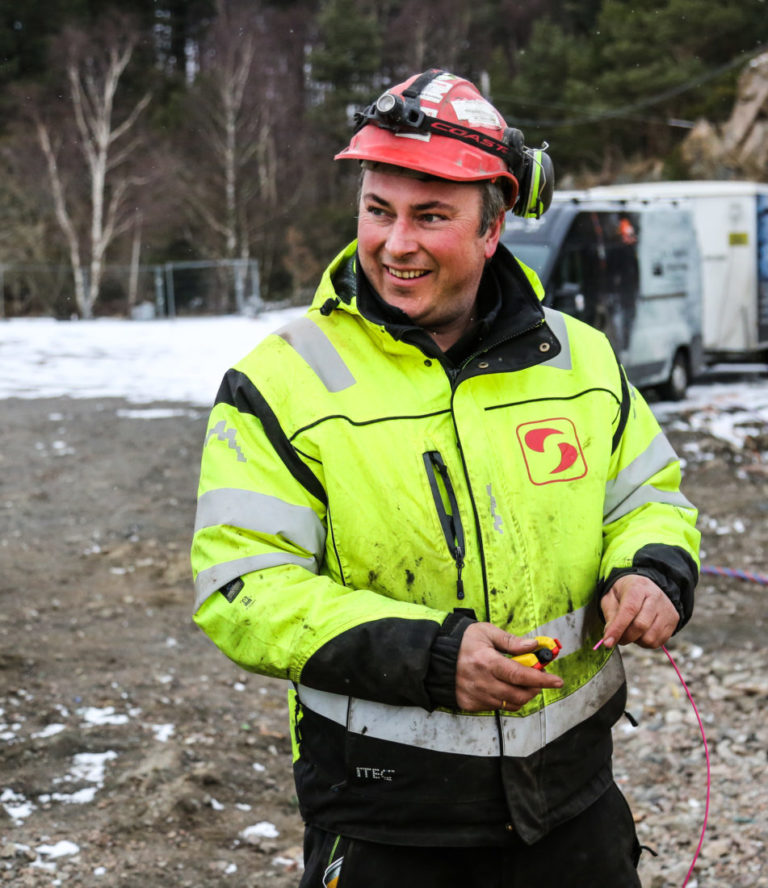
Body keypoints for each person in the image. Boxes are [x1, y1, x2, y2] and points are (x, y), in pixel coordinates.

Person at [190, 68, 700, 888]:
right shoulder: (282, 381)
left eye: (431, 216)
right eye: (377, 211)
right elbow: (243, 585)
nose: (397, 243)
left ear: (493, 228)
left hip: (573, 810)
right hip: (388, 820)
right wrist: (428, 657)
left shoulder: (580, 359)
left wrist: (651, 572)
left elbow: (647, 498)